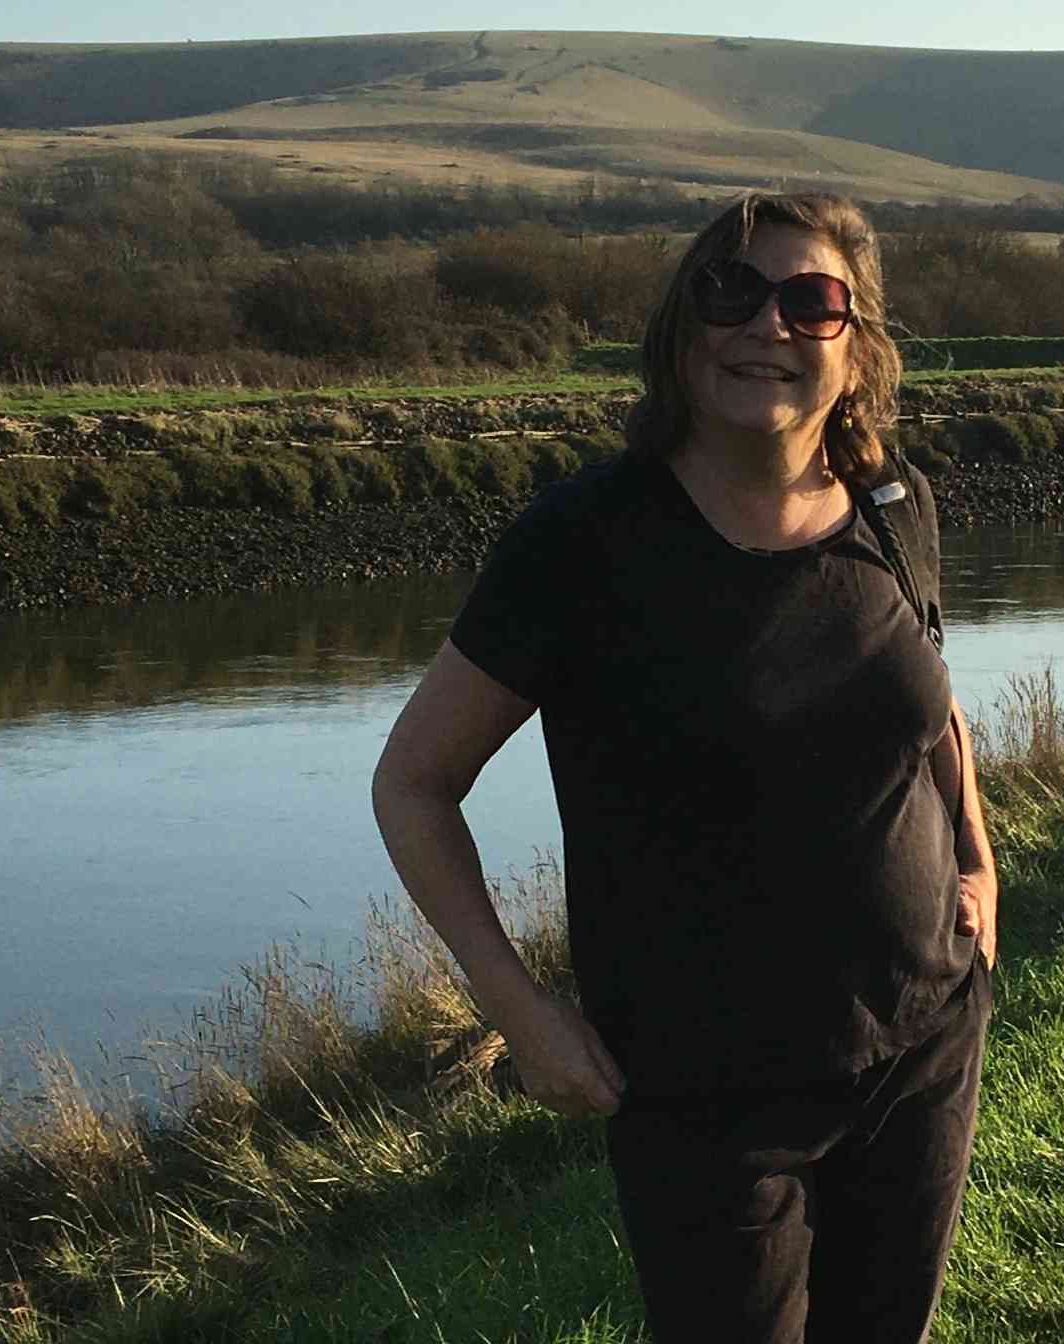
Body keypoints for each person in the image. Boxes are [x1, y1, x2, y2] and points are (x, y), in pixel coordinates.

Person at [371, 191, 998, 1344]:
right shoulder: (583, 544)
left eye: (813, 301)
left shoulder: (895, 507)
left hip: (920, 1048)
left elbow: (932, 705)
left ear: (855, 350)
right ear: (680, 330)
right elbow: (413, 784)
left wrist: (979, 863)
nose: (769, 325)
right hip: (705, 1097)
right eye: (732, 292)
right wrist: (518, 1011)